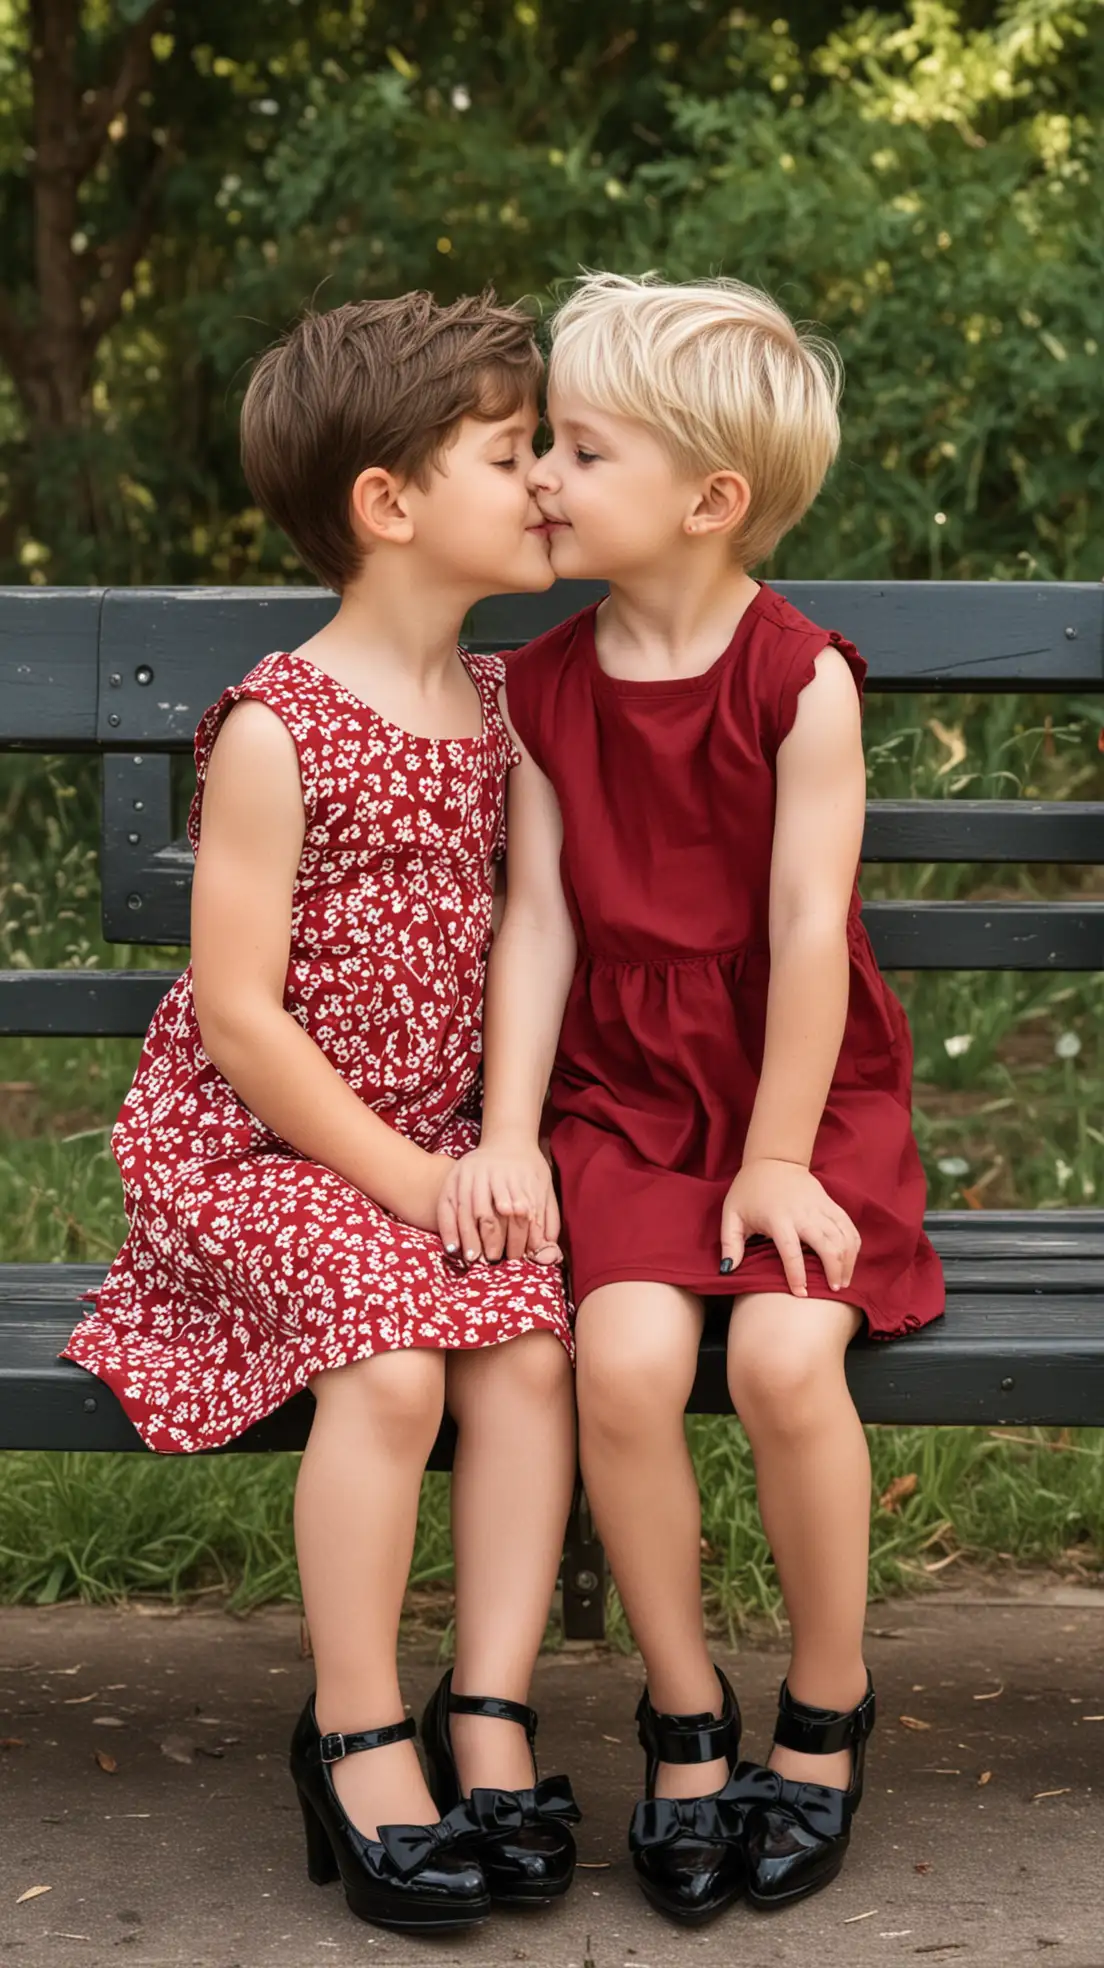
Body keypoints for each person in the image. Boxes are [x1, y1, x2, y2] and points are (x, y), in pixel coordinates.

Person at [62, 292, 581, 1935]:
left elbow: (520, 937)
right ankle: (357, 1729)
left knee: (526, 1343)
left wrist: (499, 1142)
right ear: (391, 502)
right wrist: (413, 1183)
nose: (548, 483)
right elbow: (239, 1019)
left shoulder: (503, 714)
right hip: (265, 1150)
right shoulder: (283, 726)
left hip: (437, 1139)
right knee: (394, 1349)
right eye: (512, 457)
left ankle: (486, 1711)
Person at [440, 272, 945, 1925]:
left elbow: (810, 932)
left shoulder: (801, 681)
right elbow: (538, 922)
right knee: (630, 1356)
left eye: (579, 449)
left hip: (794, 1092)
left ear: (710, 500)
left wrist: (782, 1156)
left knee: (795, 1355)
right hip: (627, 1093)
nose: (543, 479)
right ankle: (682, 1713)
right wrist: (512, 1132)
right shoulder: (543, 689)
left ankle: (823, 1704)